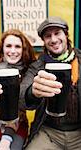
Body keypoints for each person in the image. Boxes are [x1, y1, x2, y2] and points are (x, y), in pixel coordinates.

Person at [20, 16, 81, 150]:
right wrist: (33, 93)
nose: (53, 40)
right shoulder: (38, 66)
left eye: (57, 33)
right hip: (49, 132)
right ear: (43, 41)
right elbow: (21, 96)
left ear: (66, 34)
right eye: (48, 36)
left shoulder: (79, 59)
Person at [0, 29, 36, 150]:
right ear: (2, 49)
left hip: (16, 124)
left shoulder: (28, 71)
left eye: (17, 46)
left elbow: (20, 106)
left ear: (23, 50)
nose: (12, 51)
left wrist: (6, 139)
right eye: (8, 46)